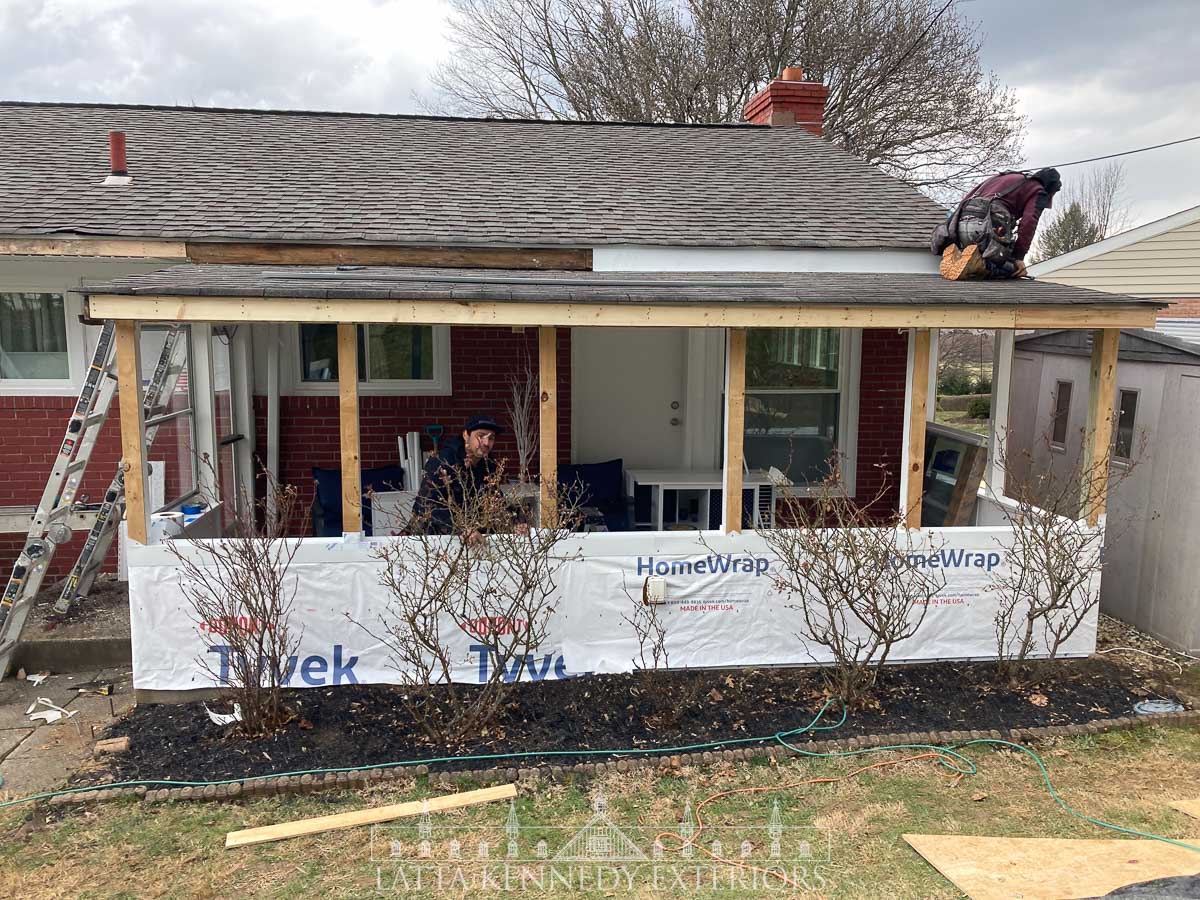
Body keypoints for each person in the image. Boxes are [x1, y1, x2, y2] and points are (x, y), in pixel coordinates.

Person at [409, 414, 526, 537]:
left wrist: (515, 522)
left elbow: (495, 500)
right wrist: (462, 529)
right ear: (466, 435)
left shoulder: (487, 465)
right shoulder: (443, 461)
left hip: (468, 539)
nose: (486, 443)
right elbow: (427, 504)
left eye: (491, 438)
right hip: (429, 538)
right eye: (480, 436)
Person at [934, 168, 1062, 280]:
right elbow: (1028, 223)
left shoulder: (1003, 177)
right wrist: (1018, 257)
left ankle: (961, 257)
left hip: (961, 224)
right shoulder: (1038, 190)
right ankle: (982, 265)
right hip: (987, 227)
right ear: (1050, 188)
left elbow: (966, 200)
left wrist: (954, 235)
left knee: (974, 258)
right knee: (1011, 269)